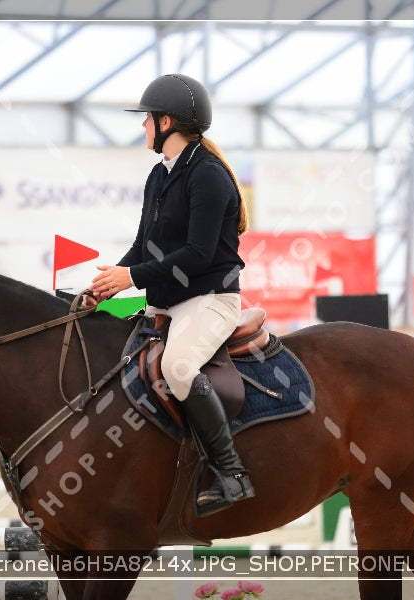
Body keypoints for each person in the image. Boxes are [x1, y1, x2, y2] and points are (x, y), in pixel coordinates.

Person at [88, 73, 254, 514]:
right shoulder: (158, 176)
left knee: (178, 367)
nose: (143, 126)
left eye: (146, 119)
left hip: (210, 300)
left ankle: (232, 472)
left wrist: (132, 278)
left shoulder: (210, 176)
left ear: (166, 122)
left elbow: (199, 254)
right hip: (168, 300)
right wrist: (108, 284)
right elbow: (145, 246)